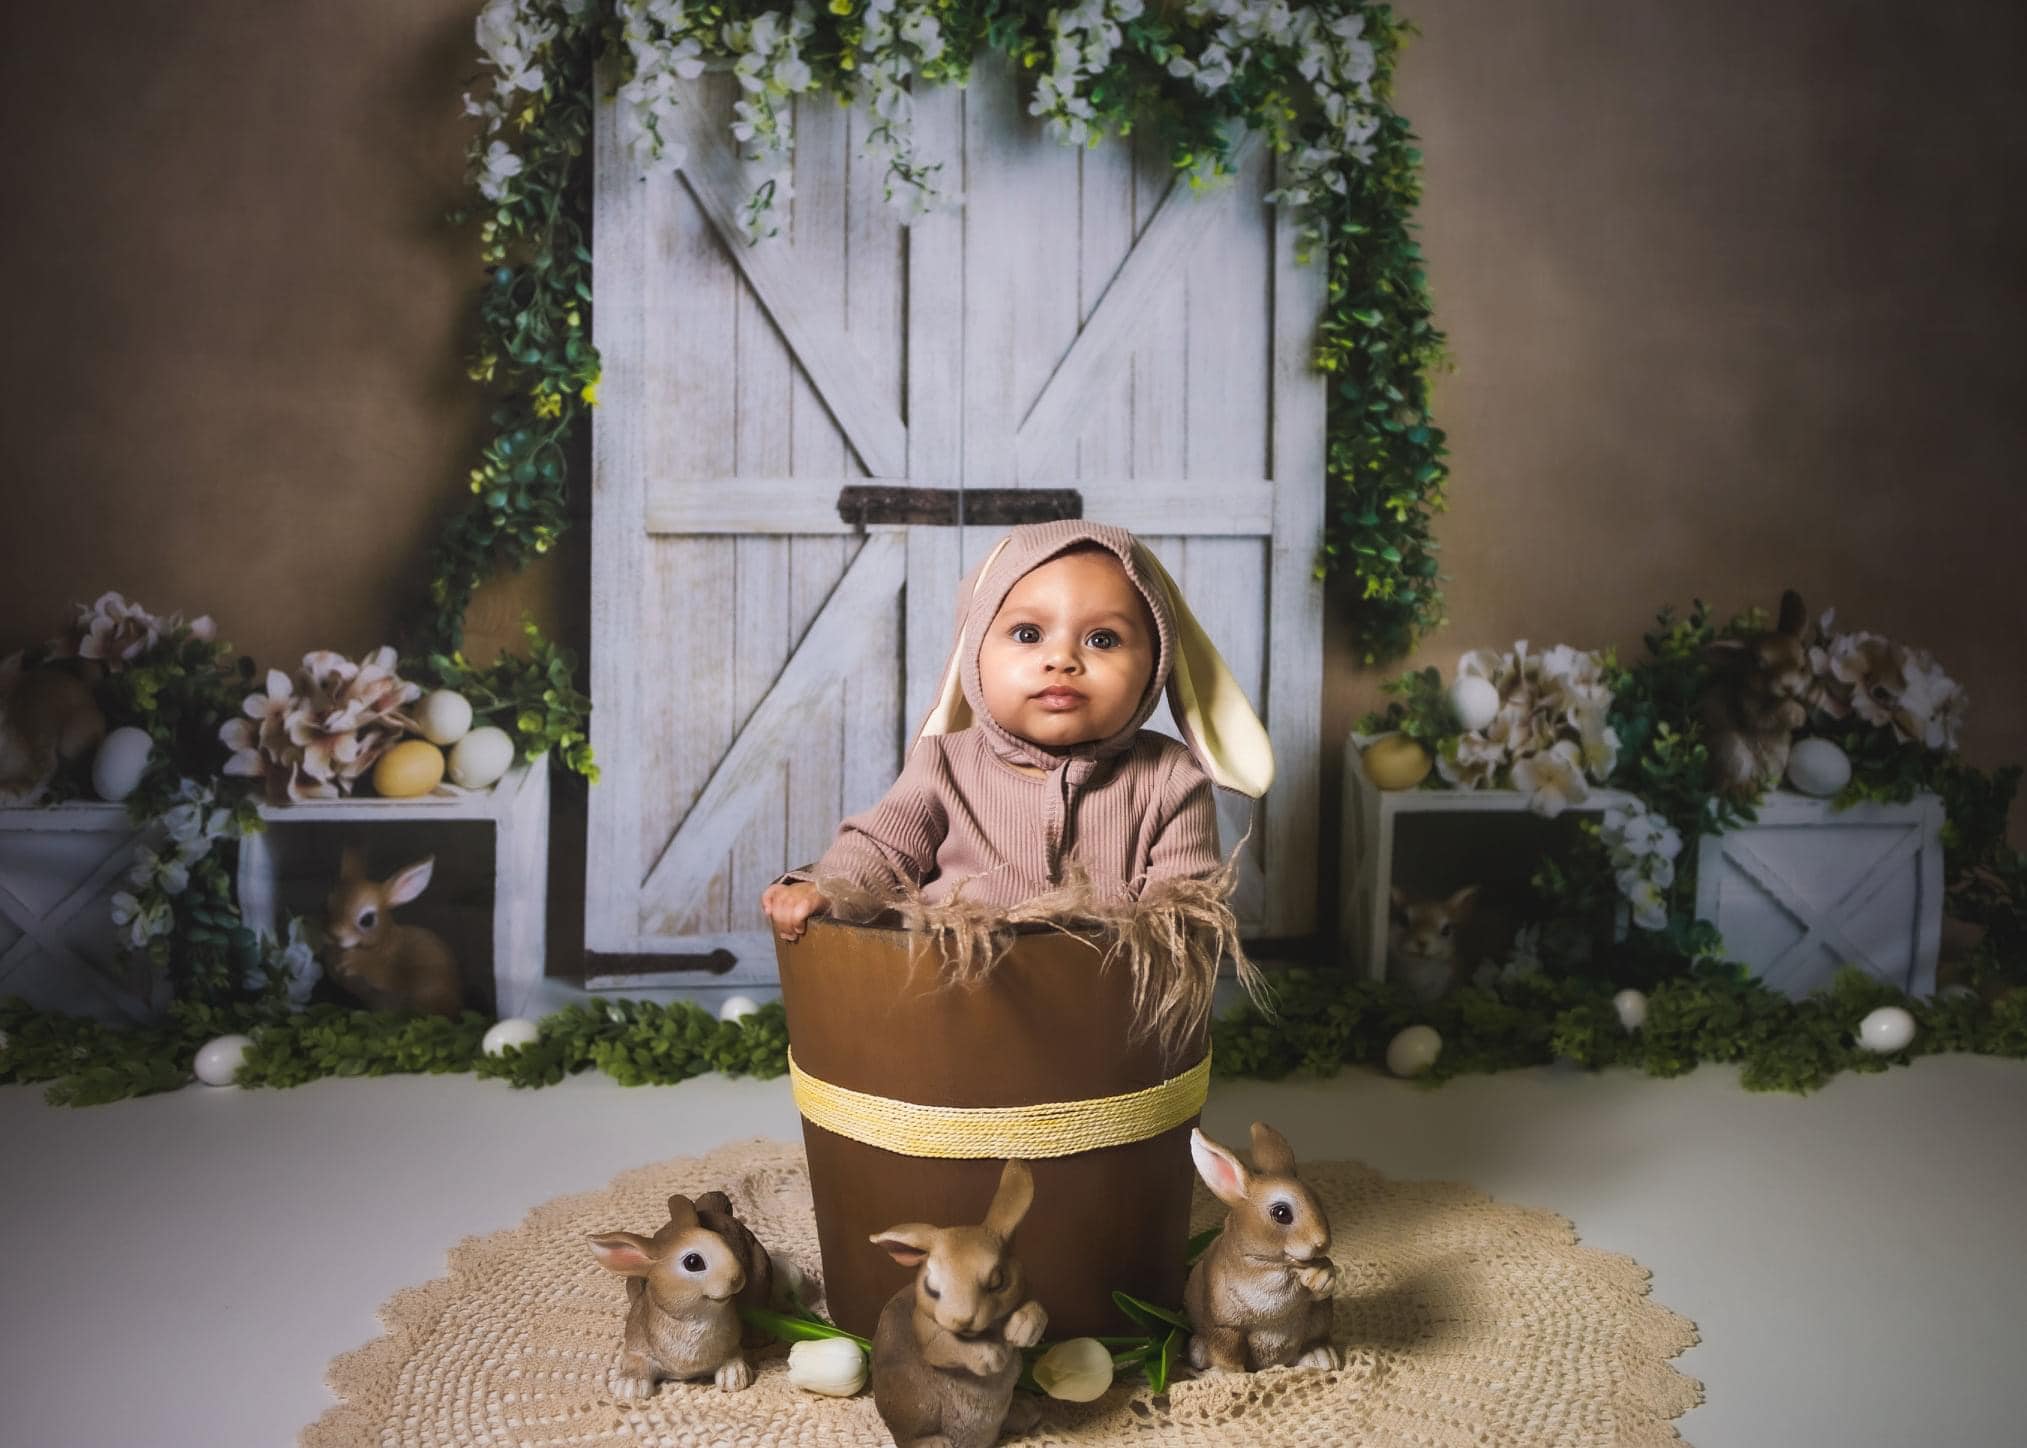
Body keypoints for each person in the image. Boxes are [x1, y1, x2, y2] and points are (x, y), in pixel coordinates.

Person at [760, 519, 1273, 943]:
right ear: (975, 654)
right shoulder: (944, 764)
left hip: (1102, 1008)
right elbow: (881, 852)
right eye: (1028, 634)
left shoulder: (1170, 778)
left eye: (1103, 638)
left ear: (1156, 663)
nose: (1062, 659)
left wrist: (1164, 934)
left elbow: (1183, 892)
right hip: (959, 989)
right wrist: (828, 889)